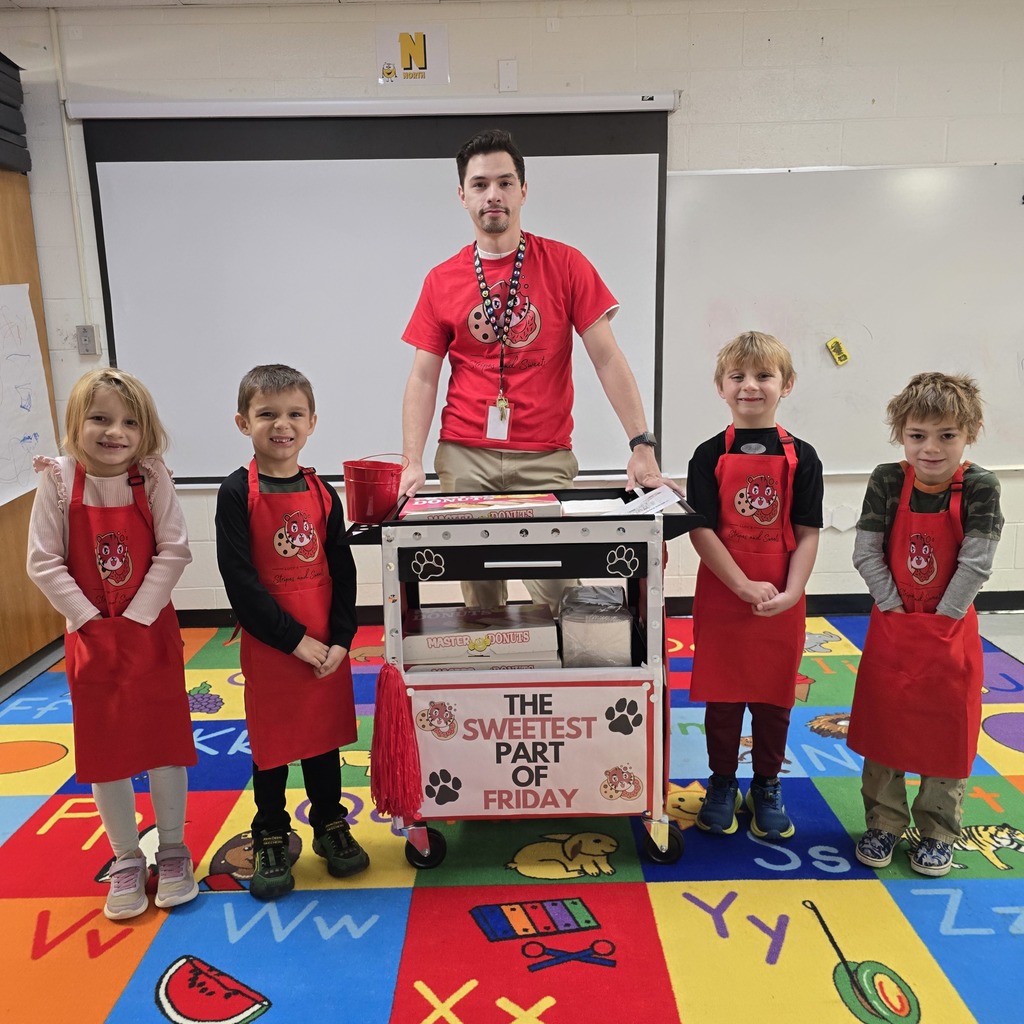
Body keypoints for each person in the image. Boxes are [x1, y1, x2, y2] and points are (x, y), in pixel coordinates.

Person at [399, 127, 672, 612]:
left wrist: (642, 445)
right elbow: (424, 376)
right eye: (480, 184)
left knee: (560, 593)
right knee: (481, 599)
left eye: (505, 182)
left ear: (524, 190)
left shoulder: (566, 264)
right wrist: (412, 460)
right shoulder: (441, 279)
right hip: (466, 455)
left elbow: (607, 357)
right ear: (462, 195)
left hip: (543, 454)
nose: (493, 195)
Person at [26, 368, 198, 920]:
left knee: (165, 742)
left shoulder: (152, 477)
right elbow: (43, 562)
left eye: (128, 422)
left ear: (145, 431)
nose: (114, 432)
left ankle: (171, 848)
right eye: (99, 419)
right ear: (76, 424)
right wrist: (89, 619)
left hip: (150, 635)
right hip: (92, 640)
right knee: (106, 752)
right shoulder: (57, 481)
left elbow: (173, 549)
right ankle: (126, 856)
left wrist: (139, 616)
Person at [215, 364, 368, 900]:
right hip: (275, 646)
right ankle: (271, 832)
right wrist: (295, 642)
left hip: (326, 642)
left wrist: (341, 640)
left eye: (294, 414)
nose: (282, 425)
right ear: (243, 422)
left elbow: (343, 571)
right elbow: (241, 582)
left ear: (312, 422)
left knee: (323, 739)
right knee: (274, 745)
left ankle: (330, 823)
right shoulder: (235, 493)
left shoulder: (324, 493)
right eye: (267, 414)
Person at [847, 372, 1003, 877]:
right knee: (884, 723)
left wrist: (942, 620)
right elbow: (866, 552)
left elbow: (976, 563)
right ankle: (884, 822)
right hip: (892, 622)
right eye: (918, 436)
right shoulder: (887, 480)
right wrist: (893, 610)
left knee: (947, 728)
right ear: (901, 434)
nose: (930, 449)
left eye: (946, 436)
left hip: (950, 626)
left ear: (970, 432)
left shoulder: (980, 487)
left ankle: (937, 830)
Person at [686, 332, 823, 841]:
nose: (750, 386)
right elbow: (701, 529)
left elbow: (807, 532)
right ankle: (722, 782)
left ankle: (766, 784)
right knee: (722, 698)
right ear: (721, 387)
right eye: (738, 377)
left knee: (773, 697)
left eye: (763, 376)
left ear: (785, 384)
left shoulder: (803, 457)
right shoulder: (707, 454)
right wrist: (741, 584)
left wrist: (791, 591)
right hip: (724, 592)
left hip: (784, 595)